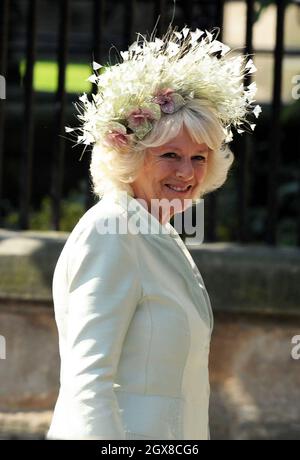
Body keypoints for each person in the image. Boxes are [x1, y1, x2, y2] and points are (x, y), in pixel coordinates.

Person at [47, 26, 260, 440]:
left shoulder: (157, 233)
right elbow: (88, 384)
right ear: (131, 154)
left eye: (199, 157)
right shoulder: (111, 234)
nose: (187, 172)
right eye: (170, 155)